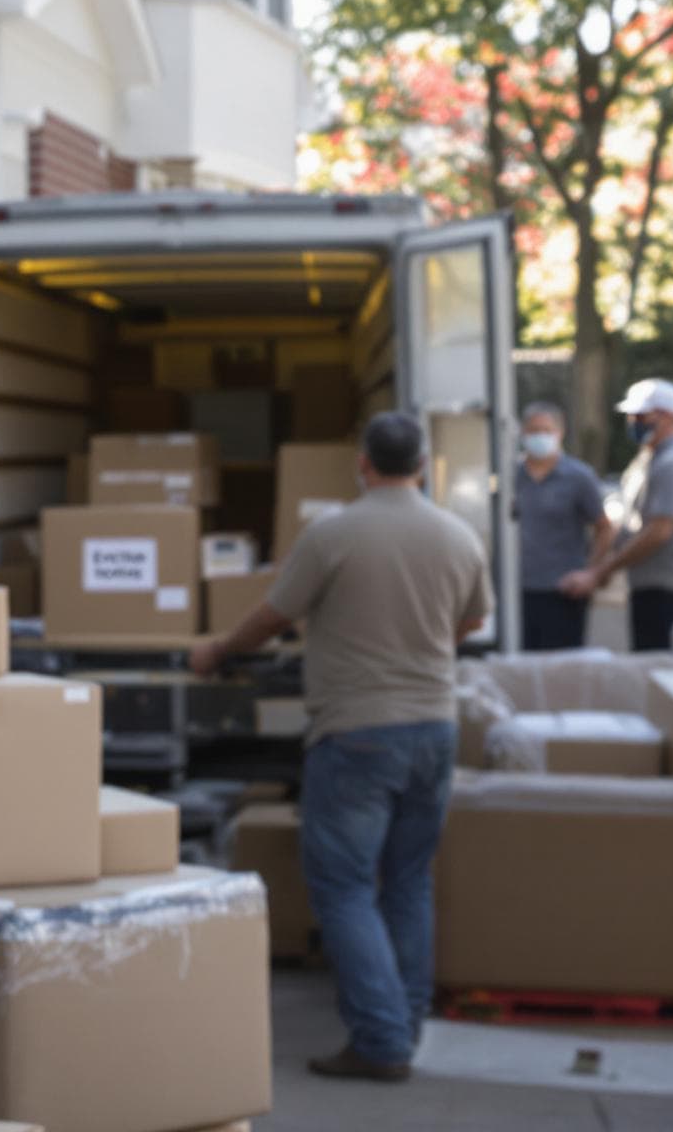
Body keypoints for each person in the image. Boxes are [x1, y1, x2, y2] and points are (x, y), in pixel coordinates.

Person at [193, 413, 489, 1085]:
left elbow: (273, 616)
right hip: (435, 729)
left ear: (363, 463)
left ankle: (381, 1042)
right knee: (408, 882)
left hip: (357, 731)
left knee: (346, 887)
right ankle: (404, 1026)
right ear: (422, 464)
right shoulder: (458, 535)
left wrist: (216, 651)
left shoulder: (333, 533)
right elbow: (472, 619)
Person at [561, 379, 673, 650]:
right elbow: (627, 519)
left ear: (668, 417)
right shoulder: (650, 459)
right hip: (653, 589)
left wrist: (601, 571)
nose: (633, 421)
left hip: (671, 593)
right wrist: (598, 565)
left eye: (640, 416)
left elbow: (658, 532)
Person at [511, 402, 614, 651]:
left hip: (563, 590)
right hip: (517, 590)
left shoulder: (578, 476)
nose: (539, 436)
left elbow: (604, 527)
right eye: (533, 430)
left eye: (546, 430)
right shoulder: (510, 475)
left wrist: (591, 572)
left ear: (560, 432)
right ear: (523, 433)